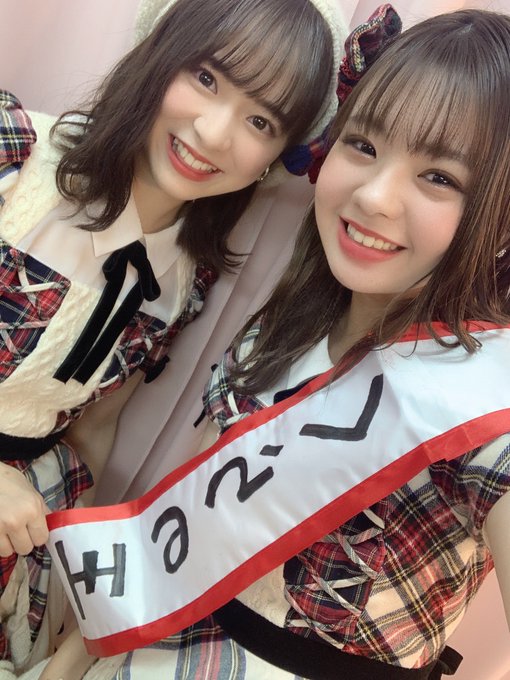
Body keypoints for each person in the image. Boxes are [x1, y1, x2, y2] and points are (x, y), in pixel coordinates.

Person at [22, 5, 510, 680]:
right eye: (363, 146)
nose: (374, 197)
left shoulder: (486, 403)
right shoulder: (273, 333)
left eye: (440, 178)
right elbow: (167, 546)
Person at [0, 0, 347, 672]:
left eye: (260, 121)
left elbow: (93, 432)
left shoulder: (183, 281)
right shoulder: (17, 156)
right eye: (207, 77)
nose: (214, 133)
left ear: (275, 157)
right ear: (158, 51)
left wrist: (83, 604)